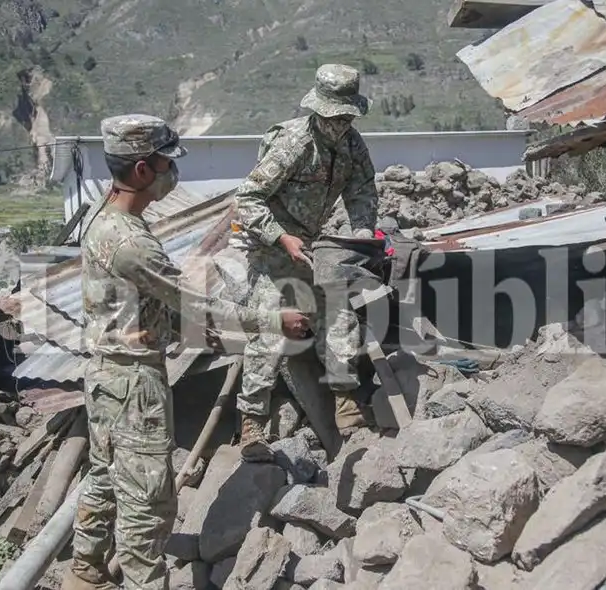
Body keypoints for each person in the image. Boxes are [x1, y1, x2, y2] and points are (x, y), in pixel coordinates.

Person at [67, 114, 309, 590]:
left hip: (106, 375)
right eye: (165, 164)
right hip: (134, 384)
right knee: (148, 501)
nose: (171, 174)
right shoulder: (130, 241)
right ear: (141, 170)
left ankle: (85, 572)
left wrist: (193, 331)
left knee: (105, 477)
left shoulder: (106, 215)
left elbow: (142, 300)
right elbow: (191, 300)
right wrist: (273, 319)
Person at [223, 63, 379, 461]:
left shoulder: (352, 145)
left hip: (309, 246)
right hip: (270, 245)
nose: (339, 124)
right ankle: (252, 423)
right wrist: (281, 237)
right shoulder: (293, 143)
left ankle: (345, 403)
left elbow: (362, 193)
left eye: (346, 116)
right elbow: (248, 198)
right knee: (272, 325)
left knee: (337, 313)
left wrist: (362, 234)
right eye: (333, 116)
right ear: (318, 110)